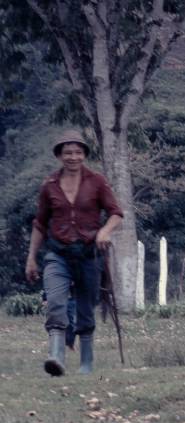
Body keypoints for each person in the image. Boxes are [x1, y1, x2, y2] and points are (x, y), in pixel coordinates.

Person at [25, 130, 123, 376]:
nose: (73, 157)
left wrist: (104, 232)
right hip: (57, 254)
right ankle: (56, 358)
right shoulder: (49, 185)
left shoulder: (97, 181)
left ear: (84, 155)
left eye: (78, 152)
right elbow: (39, 223)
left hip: (89, 254)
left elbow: (116, 213)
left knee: (85, 309)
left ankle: (86, 364)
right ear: (59, 155)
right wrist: (31, 259)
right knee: (55, 302)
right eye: (67, 152)